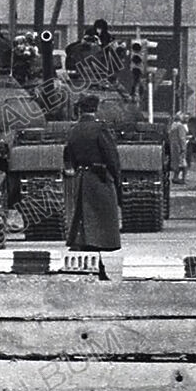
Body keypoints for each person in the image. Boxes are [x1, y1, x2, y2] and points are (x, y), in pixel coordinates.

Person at [63, 94, 122, 279]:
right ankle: (97, 266)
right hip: (100, 179)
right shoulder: (100, 129)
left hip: (82, 178)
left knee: (84, 220)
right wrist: (116, 178)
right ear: (96, 108)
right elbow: (111, 156)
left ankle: (93, 265)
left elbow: (69, 156)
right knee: (100, 223)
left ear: (80, 109)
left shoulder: (74, 130)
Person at [168, 112, 190, 184]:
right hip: (179, 147)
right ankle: (183, 179)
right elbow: (182, 138)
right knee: (184, 165)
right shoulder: (180, 126)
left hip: (173, 146)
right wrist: (183, 147)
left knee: (176, 163)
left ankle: (175, 177)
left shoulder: (173, 126)